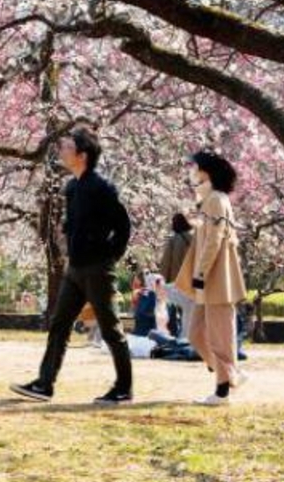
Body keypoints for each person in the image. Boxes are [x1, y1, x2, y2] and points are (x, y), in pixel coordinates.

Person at [11, 126, 134, 405]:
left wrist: (109, 257)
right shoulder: (72, 187)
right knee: (59, 325)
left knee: (111, 329)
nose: (61, 152)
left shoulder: (103, 187)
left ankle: (124, 388)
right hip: (75, 270)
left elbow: (123, 226)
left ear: (82, 155)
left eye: (67, 147)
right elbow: (74, 223)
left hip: (98, 269)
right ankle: (44, 384)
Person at [174, 150, 249, 406]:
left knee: (220, 337)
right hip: (208, 280)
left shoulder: (216, 199)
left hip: (216, 279)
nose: (193, 172)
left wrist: (201, 272)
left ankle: (222, 391)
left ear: (207, 171)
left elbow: (214, 240)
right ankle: (230, 374)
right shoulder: (211, 199)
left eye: (197, 168)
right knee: (195, 334)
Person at [161, 213, 195, 342]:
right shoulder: (194, 238)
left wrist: (162, 280)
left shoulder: (173, 240)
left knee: (176, 310)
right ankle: (189, 335)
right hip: (193, 281)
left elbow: (166, 263)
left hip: (177, 281)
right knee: (190, 311)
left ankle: (180, 336)